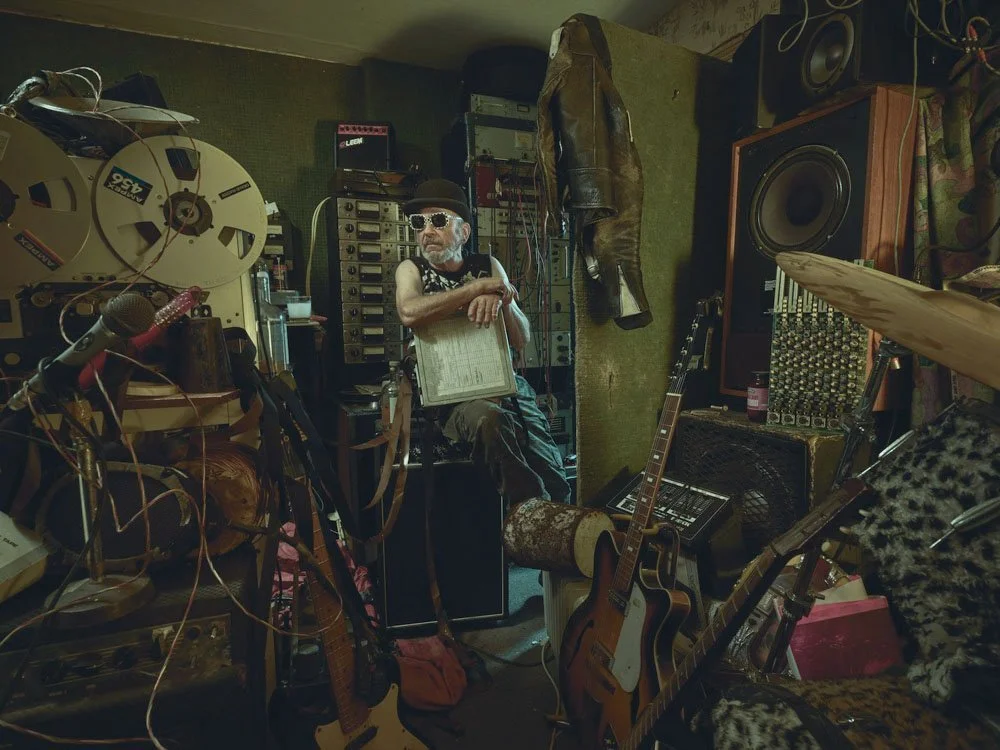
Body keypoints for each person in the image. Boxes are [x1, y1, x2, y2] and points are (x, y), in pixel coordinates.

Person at [394, 178, 571, 507]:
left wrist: (502, 299)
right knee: (489, 421)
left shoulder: (488, 266)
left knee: (552, 470)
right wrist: (477, 290)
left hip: (506, 387)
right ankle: (533, 515)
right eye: (419, 223)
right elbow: (408, 311)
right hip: (453, 396)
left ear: (463, 232)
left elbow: (520, 339)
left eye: (438, 220)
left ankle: (558, 518)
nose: (426, 231)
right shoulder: (411, 268)